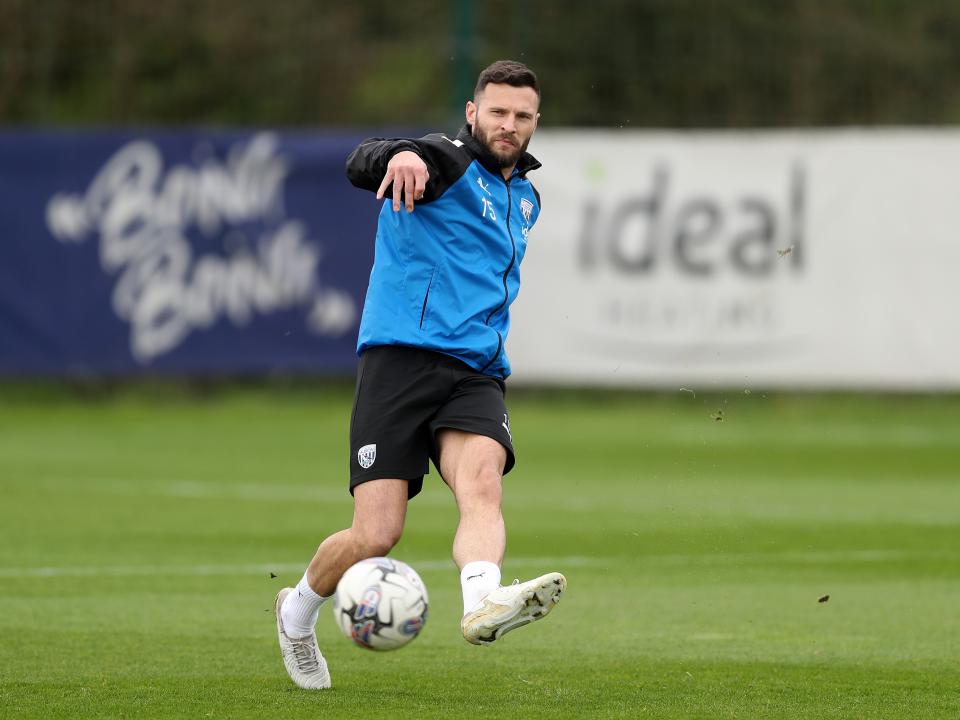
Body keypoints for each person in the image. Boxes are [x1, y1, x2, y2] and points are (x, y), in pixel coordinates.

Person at [274, 59, 565, 690]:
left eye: (521, 116)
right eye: (497, 112)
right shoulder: (444, 162)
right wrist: (399, 155)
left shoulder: (527, 198)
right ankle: (295, 614)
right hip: (400, 362)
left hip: (476, 371)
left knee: (482, 483)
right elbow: (363, 161)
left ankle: (482, 601)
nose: (508, 125)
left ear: (536, 122)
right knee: (376, 534)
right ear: (472, 112)